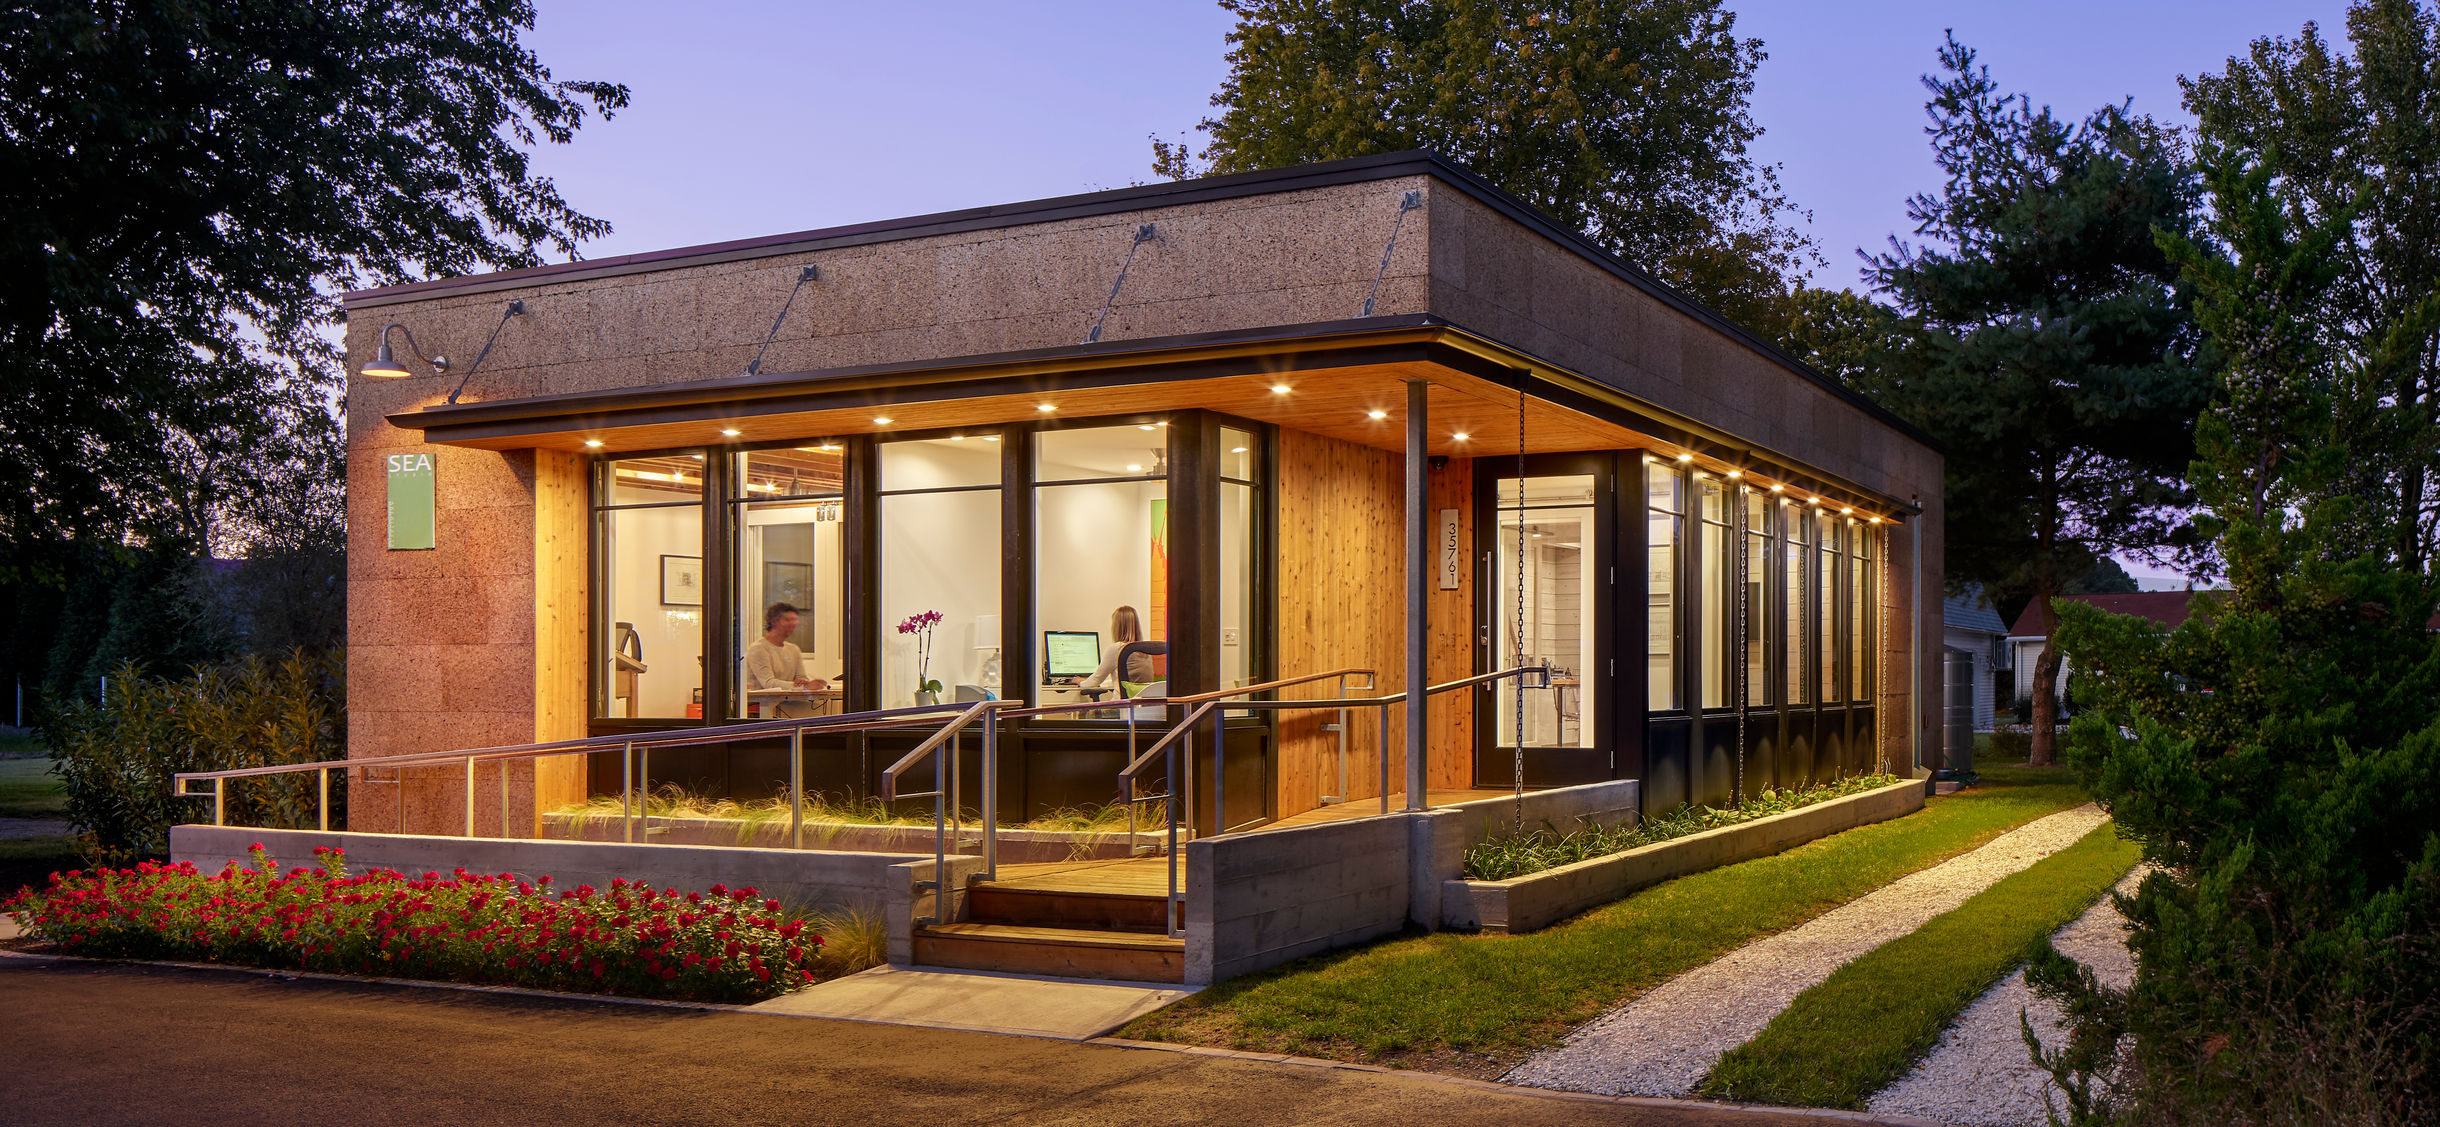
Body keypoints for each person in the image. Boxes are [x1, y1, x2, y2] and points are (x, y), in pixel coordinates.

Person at [746, 602, 827, 717]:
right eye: (788, 620)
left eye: (795, 620)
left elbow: (800, 676)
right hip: (758, 710)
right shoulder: (758, 649)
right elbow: (768, 683)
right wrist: (803, 687)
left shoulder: (794, 649)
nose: (794, 623)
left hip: (782, 705)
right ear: (774, 621)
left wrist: (803, 681)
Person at [1077, 605, 1159, 692]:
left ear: (1116, 626)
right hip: (1143, 703)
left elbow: (1095, 681)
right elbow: (1128, 681)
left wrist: (1080, 682)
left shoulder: (1117, 648)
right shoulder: (1145, 650)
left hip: (1121, 704)